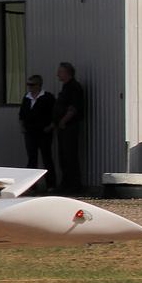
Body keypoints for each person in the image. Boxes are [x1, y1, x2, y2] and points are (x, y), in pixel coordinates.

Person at [49, 62, 84, 193]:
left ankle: (74, 185)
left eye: (60, 72)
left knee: (70, 156)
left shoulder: (74, 87)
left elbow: (74, 107)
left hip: (69, 127)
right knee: (63, 157)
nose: (58, 74)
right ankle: (65, 183)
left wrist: (64, 121)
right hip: (61, 127)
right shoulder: (65, 88)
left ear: (67, 73)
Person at [18, 75, 55, 191]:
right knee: (31, 159)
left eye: (32, 85)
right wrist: (22, 126)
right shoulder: (27, 98)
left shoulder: (48, 97)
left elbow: (55, 113)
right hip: (30, 132)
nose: (30, 87)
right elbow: (21, 114)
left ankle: (51, 184)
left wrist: (51, 127)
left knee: (46, 158)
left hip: (43, 132)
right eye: (28, 84)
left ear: (39, 85)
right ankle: (32, 186)